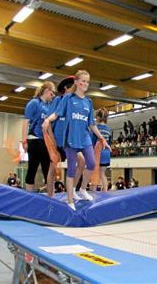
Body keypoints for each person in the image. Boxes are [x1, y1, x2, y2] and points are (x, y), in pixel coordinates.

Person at [42, 70, 110, 210]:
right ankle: (70, 200)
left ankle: (83, 189)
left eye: (87, 82)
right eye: (82, 81)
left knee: (91, 163)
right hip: (71, 137)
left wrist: (102, 138)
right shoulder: (68, 99)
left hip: (84, 137)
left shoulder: (88, 102)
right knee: (71, 170)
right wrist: (48, 120)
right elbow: (56, 113)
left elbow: (91, 123)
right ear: (76, 82)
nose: (85, 84)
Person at [22, 81, 55, 192]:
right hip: (34, 140)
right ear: (46, 91)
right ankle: (29, 195)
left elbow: (49, 126)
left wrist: (53, 144)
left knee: (47, 169)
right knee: (32, 168)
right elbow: (26, 122)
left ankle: (50, 196)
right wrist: (24, 141)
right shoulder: (34, 103)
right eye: (52, 93)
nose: (53, 96)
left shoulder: (49, 107)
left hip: (45, 141)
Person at [93, 108, 112, 192]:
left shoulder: (95, 128)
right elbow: (110, 142)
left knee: (94, 172)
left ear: (98, 117)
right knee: (102, 174)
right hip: (106, 152)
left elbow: (92, 141)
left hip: (98, 152)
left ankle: (93, 191)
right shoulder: (108, 130)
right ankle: (105, 191)